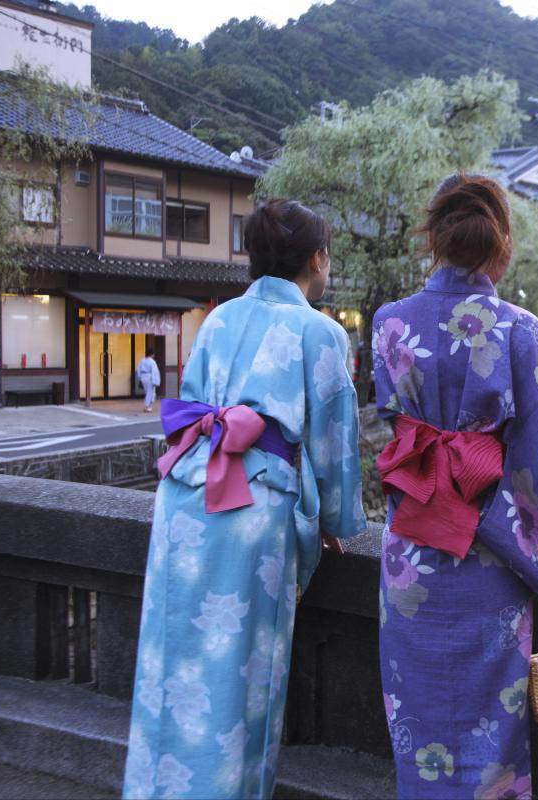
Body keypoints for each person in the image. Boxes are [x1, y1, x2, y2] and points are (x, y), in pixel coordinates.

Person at [121, 199, 366, 800]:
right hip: (252, 510)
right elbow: (334, 443)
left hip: (185, 495)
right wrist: (335, 520)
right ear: (318, 259)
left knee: (173, 654)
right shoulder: (321, 331)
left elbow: (193, 407)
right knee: (238, 671)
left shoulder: (219, 319)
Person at [372, 173, 538, 799]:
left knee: (417, 719)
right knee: (494, 733)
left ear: (433, 236)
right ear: (501, 243)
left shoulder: (388, 323)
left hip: (410, 555)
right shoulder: (521, 330)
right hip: (493, 558)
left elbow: (396, 432)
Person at [137, 347, 161, 412]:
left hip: (143, 377)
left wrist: (139, 377)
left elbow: (138, 369)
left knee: (147, 392)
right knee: (150, 392)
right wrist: (155, 381)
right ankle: (147, 406)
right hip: (149, 377)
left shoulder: (142, 360)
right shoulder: (152, 362)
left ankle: (148, 406)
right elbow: (154, 372)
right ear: (152, 354)